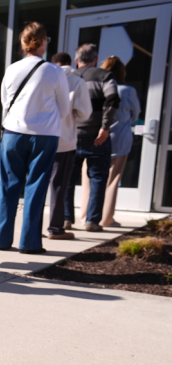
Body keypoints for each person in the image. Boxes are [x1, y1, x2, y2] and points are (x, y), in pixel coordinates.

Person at [0, 22, 70, 254]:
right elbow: (65, 109)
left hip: (13, 133)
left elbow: (5, 103)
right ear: (44, 42)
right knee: (36, 187)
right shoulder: (55, 71)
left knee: (8, 186)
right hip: (44, 135)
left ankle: (1, 239)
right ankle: (30, 243)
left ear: (23, 42)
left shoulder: (12, 69)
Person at [63, 43, 119, 232]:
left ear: (77, 60)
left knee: (67, 179)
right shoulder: (105, 76)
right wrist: (105, 128)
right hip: (97, 136)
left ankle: (65, 219)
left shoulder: (68, 78)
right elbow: (112, 100)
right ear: (96, 59)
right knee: (98, 178)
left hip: (71, 135)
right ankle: (92, 221)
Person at [45, 52, 92, 240]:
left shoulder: (44, 76)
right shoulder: (76, 81)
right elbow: (85, 113)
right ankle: (55, 228)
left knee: (37, 184)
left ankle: (32, 229)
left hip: (40, 137)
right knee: (58, 185)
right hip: (64, 141)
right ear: (72, 62)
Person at [96, 55, 139, 228]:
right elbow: (135, 115)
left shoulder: (99, 88)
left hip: (97, 136)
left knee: (92, 176)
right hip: (120, 138)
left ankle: (87, 215)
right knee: (113, 179)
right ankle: (107, 218)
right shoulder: (128, 91)